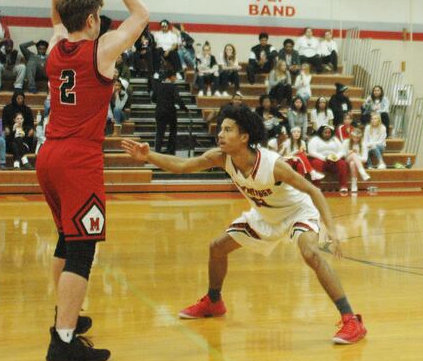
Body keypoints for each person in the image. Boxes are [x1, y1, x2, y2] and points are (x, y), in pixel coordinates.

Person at [120, 105, 366, 344]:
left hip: (297, 212)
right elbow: (182, 165)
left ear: (244, 137)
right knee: (217, 248)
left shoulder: (272, 165)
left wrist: (331, 229)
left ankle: (351, 319)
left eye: (228, 130)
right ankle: (214, 301)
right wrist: (148, 155)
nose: (220, 134)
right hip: (264, 215)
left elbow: (314, 190)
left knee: (310, 253)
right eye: (221, 129)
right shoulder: (221, 157)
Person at [37, 0, 149, 361]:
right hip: (78, 159)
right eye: (98, 18)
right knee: (83, 250)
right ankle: (63, 342)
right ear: (90, 21)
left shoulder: (55, 45)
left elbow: (55, 20)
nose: (101, 23)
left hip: (48, 155)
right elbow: (141, 15)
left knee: (67, 241)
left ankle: (64, 316)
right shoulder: (98, 51)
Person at [153, 70, 188, 155]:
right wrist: (185, 109)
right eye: (175, 76)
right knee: (173, 131)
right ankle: (170, 150)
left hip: (159, 111)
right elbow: (178, 99)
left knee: (160, 132)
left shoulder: (158, 85)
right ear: (171, 77)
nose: (175, 78)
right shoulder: (173, 86)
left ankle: (157, 151)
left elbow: (153, 98)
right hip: (170, 112)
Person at [308, 124, 349, 192]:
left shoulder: (335, 139)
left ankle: (343, 186)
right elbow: (311, 152)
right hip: (321, 160)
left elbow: (342, 151)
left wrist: (336, 157)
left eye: (329, 132)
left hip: (334, 160)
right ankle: (316, 186)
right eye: (325, 132)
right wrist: (324, 158)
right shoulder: (315, 139)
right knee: (316, 163)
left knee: (343, 163)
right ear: (321, 132)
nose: (327, 134)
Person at [343, 128, 370, 192]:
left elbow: (365, 159)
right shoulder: (346, 142)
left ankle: (354, 185)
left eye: (358, 138)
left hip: (358, 163)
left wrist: (356, 158)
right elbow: (343, 155)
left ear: (360, 138)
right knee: (353, 155)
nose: (355, 139)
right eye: (354, 137)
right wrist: (350, 152)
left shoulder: (363, 144)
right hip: (346, 160)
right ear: (351, 136)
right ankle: (363, 173)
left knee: (353, 163)